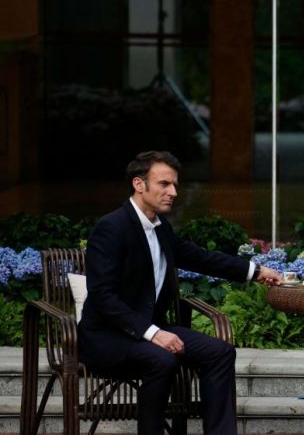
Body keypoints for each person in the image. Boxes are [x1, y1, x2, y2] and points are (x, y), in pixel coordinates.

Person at [78, 150, 281, 435]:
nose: (173, 192)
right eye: (164, 184)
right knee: (161, 358)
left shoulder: (161, 229)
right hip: (106, 338)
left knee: (220, 352)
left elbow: (201, 258)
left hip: (148, 333)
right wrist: (154, 333)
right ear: (139, 184)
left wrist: (256, 272)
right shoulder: (111, 228)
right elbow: (103, 296)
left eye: (175, 184)